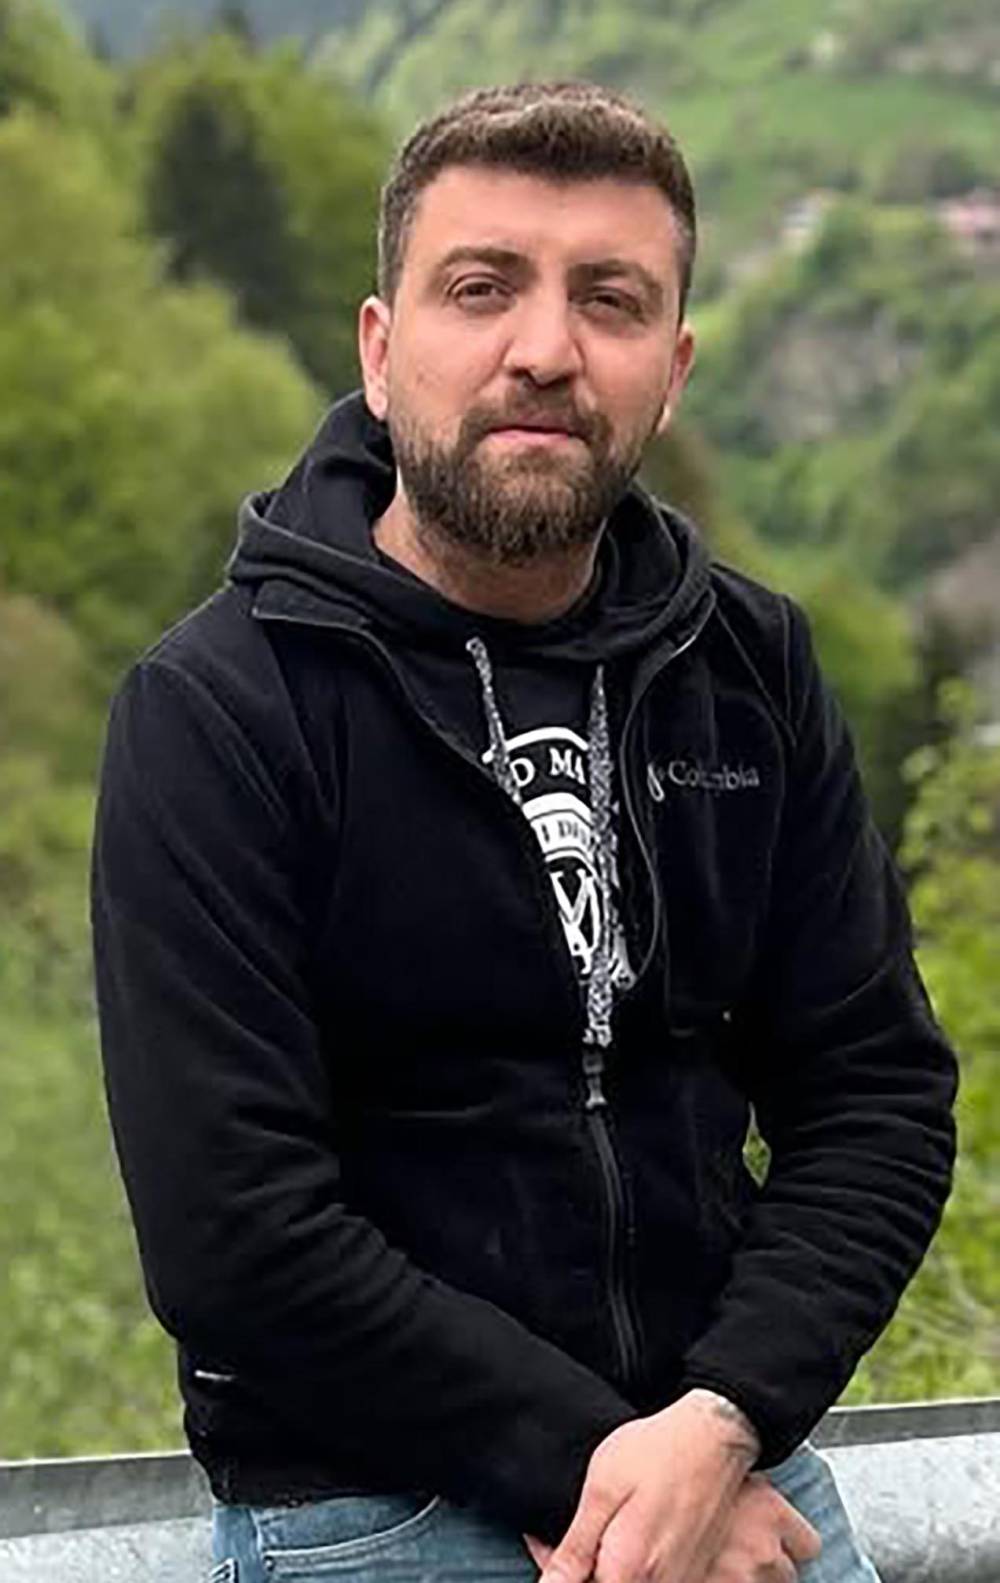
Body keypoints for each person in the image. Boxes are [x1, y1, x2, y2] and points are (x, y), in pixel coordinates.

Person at [91, 81, 957, 1583]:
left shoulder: (747, 668)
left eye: (609, 301)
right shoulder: (221, 709)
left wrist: (720, 1422)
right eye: (481, 288)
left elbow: (876, 1094)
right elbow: (234, 1233)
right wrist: (601, 1477)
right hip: (372, 1503)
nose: (546, 349)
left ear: (671, 371)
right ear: (381, 351)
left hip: (732, 1457)